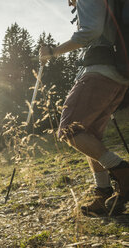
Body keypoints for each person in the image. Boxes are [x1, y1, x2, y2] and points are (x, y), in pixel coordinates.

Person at [39, 0, 129, 215]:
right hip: (117, 73)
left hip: (100, 70)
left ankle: (123, 172)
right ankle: (103, 192)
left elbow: (91, 31)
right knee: (90, 136)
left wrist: (53, 52)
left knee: (70, 129)